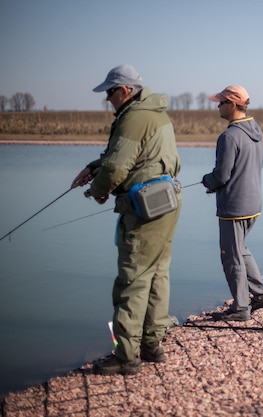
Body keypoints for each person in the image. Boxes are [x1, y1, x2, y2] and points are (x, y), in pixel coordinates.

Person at [71, 64, 182, 375]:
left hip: (144, 209)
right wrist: (96, 166)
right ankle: (152, 345)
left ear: (124, 91)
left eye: (109, 92)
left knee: (131, 280)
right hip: (168, 201)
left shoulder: (133, 118)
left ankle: (126, 356)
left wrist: (96, 190)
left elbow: (118, 166)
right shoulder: (154, 113)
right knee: (157, 275)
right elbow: (131, 157)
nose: (107, 99)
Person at [202, 85, 263, 322]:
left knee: (231, 256)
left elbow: (221, 175)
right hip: (254, 203)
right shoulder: (257, 131)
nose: (218, 106)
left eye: (221, 102)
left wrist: (207, 181)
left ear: (232, 104)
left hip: (234, 207)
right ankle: (262, 295)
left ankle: (241, 308)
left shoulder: (229, 136)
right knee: (240, 249)